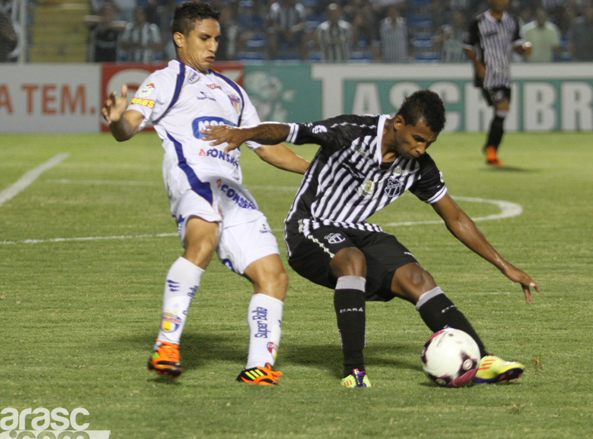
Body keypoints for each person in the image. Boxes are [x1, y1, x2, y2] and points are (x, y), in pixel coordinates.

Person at [202, 89, 540, 388]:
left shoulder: (418, 166)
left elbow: (455, 217)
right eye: (417, 139)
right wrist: (245, 133)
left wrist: (504, 266)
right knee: (353, 261)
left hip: (357, 229)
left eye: (428, 143)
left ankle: (482, 360)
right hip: (310, 227)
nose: (421, 149)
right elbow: (289, 131)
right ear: (398, 122)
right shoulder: (351, 131)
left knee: (418, 278)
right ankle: (354, 370)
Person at [100, 0, 310, 384]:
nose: (213, 46)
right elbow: (129, 125)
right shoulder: (166, 80)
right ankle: (167, 344)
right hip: (192, 174)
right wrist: (117, 122)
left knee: (274, 276)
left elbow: (265, 147)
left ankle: (259, 366)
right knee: (202, 241)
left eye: (217, 38)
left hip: (231, 187)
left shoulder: (232, 90)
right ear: (180, 39)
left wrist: (316, 168)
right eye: (204, 38)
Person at [463, 0, 531, 167]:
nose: (501, 1)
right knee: (502, 106)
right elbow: (467, 47)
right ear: (490, 0)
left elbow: (516, 44)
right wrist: (477, 64)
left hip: (505, 74)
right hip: (488, 73)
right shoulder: (478, 22)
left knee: (502, 111)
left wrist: (524, 50)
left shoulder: (513, 21)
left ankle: (490, 147)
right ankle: (491, 150)